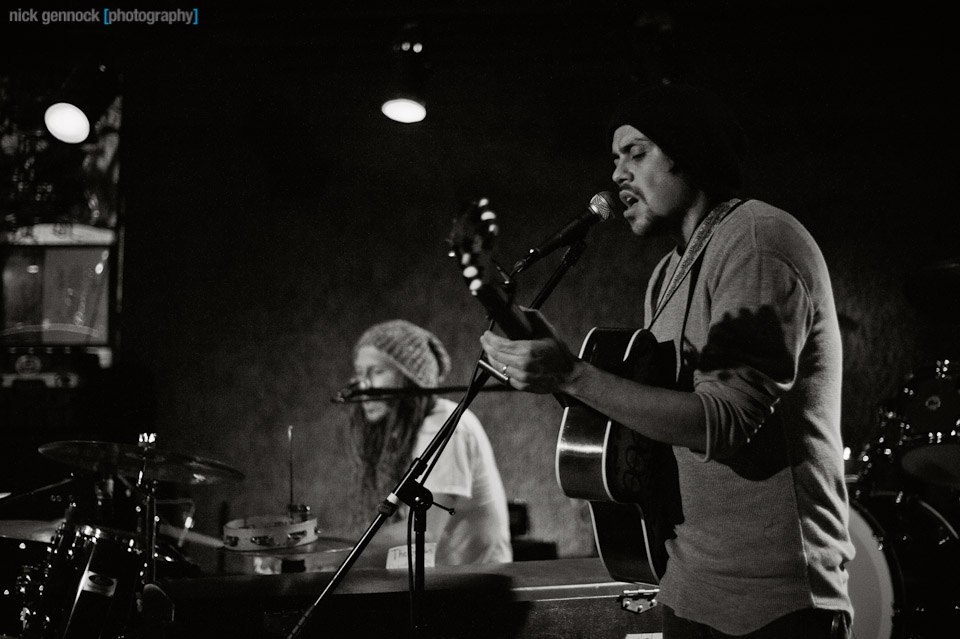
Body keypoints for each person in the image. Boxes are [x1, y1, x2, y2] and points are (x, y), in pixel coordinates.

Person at [480, 83, 854, 638]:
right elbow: (652, 415)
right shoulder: (667, 273)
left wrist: (574, 374)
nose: (618, 177)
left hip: (775, 601)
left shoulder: (756, 243)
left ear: (690, 153)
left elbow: (725, 424)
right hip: (689, 585)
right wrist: (556, 370)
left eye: (637, 153)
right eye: (615, 160)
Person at [348, 319, 513, 566]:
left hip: (478, 589)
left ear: (411, 377)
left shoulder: (443, 426)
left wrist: (337, 557)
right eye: (361, 374)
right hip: (449, 583)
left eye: (377, 371)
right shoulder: (409, 430)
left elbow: (424, 534)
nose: (364, 386)